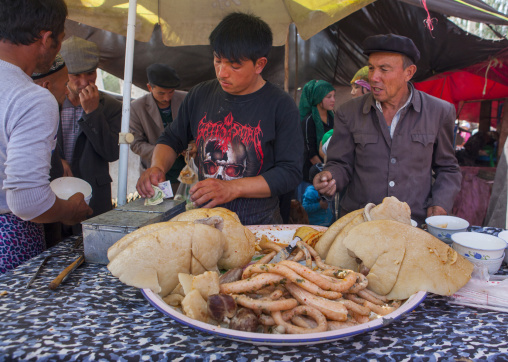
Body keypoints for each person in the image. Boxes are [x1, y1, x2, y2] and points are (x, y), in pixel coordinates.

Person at [136, 12, 303, 225]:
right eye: (217, 60)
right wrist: (157, 167)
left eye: (234, 65)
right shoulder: (199, 95)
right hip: (207, 218)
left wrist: (232, 188)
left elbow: (290, 172)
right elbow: (171, 139)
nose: (222, 73)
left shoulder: (281, 105)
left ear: (259, 65)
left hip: (259, 223)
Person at [314, 34, 461, 226]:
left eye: (384, 69)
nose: (373, 77)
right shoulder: (348, 112)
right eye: (372, 68)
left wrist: (440, 203)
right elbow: (340, 163)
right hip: (359, 224)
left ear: (408, 72)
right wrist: (330, 177)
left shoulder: (439, 112)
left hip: (412, 225)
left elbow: (448, 168)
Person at [0, 0, 92, 274]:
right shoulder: (30, 97)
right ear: (46, 38)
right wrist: (69, 210)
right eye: (59, 40)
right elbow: (27, 200)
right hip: (9, 237)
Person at [59, 36, 122, 219]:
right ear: (64, 73)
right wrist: (56, 160)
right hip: (56, 192)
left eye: (90, 73)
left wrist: (92, 113)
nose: (85, 82)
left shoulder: (111, 106)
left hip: (95, 196)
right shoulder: (51, 102)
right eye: (76, 75)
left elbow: (112, 152)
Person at [129, 63, 190, 196]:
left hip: (187, 173)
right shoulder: (136, 108)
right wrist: (166, 151)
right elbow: (136, 144)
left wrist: (191, 146)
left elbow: (197, 131)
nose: (167, 98)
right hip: (155, 176)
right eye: (161, 93)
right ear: (150, 87)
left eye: (171, 92)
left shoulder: (186, 99)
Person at [31, 54, 70, 247]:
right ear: (45, 86)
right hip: (33, 214)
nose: (67, 91)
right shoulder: (32, 116)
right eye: (65, 85)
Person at [297, 80, 335, 202]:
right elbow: (311, 154)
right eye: (328, 97)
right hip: (311, 178)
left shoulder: (333, 118)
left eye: (334, 96)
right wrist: (325, 173)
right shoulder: (309, 121)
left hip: (328, 173)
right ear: (318, 99)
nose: (333, 100)